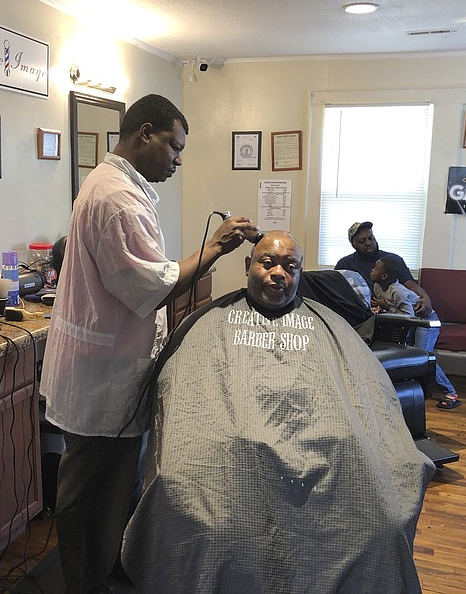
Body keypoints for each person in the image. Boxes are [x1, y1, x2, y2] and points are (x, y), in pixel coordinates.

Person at [121, 231, 435, 593]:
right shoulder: (211, 322)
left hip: (324, 448)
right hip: (230, 455)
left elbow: (367, 393)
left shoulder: (326, 325)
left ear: (300, 274)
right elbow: (186, 397)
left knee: (382, 521)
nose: (278, 273)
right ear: (247, 266)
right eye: (267, 263)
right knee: (190, 505)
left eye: (290, 266)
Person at [39, 93, 259, 594]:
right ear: (144, 134)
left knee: (116, 488)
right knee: (90, 492)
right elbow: (152, 283)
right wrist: (217, 246)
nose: (178, 160)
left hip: (109, 367)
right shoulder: (115, 198)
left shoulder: (114, 184)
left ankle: (109, 565)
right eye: (174, 147)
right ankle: (84, 583)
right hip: (102, 376)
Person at [369, 257, 460, 408]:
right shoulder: (377, 287)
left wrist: (387, 307)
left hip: (426, 321)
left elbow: (408, 317)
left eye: (375, 269)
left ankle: (450, 392)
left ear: (384, 276)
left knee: (423, 355)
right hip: (410, 323)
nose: (371, 270)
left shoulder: (399, 292)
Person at [334, 221, 433, 315]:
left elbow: (410, 284)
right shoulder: (345, 264)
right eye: (362, 241)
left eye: (371, 238)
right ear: (353, 245)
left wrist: (426, 298)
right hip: (360, 313)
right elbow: (335, 292)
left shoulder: (393, 260)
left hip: (393, 314)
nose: (368, 243)